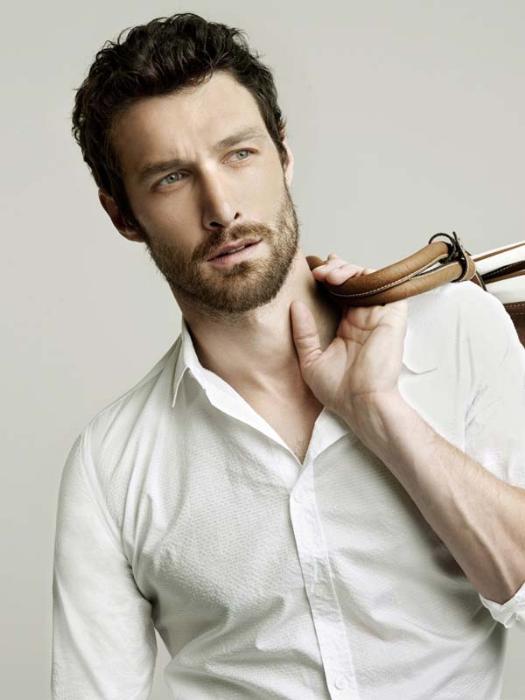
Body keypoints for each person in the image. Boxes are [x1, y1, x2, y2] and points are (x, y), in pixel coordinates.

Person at [52, 12, 525, 700]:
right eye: (171, 178)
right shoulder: (110, 464)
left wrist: (380, 412)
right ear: (123, 215)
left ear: (283, 155)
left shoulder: (455, 329)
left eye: (239, 154)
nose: (221, 207)